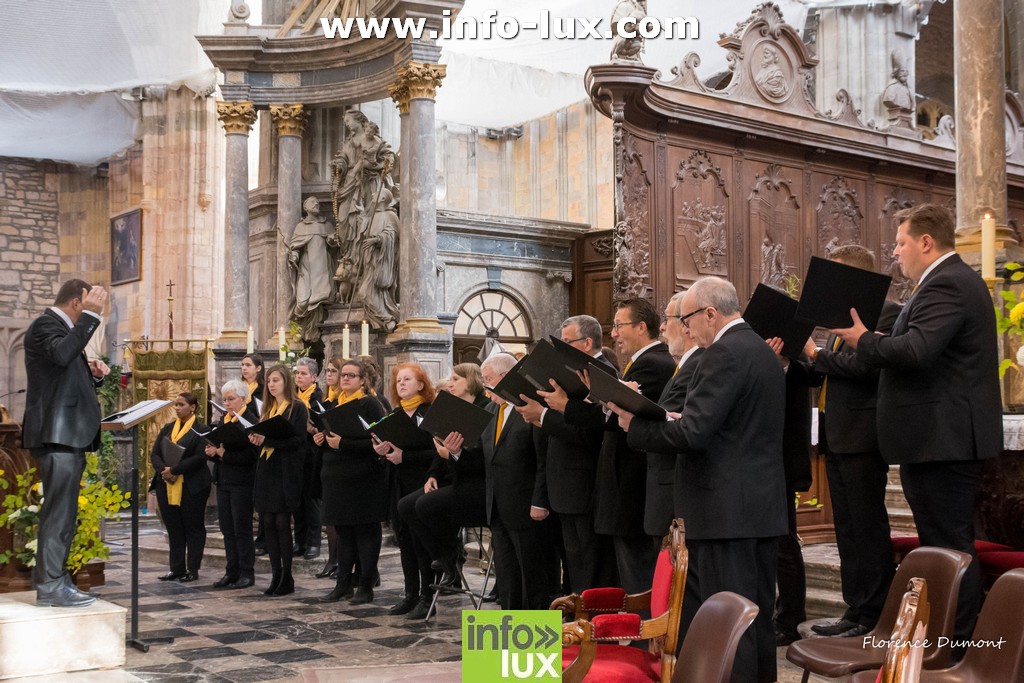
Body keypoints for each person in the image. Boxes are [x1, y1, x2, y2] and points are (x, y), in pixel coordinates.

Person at [830, 204, 1002, 646]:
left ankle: (955, 646)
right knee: (941, 546)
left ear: (926, 242)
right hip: (935, 439)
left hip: (943, 440)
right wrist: (876, 341)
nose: (894, 252)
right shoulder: (948, 281)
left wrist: (864, 341)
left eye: (900, 242)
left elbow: (916, 350)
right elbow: (918, 346)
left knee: (949, 549)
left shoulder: (947, 282)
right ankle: (945, 639)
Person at [609, 276, 787, 683]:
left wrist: (636, 426)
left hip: (724, 512)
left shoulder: (721, 353)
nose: (685, 329)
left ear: (710, 313)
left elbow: (693, 434)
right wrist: (676, 419)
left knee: (729, 625)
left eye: (687, 319)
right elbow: (729, 427)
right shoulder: (760, 350)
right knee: (755, 619)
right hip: (757, 508)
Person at [801, 245, 900, 638]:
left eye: (837, 274)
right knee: (846, 529)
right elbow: (831, 371)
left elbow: (865, 368)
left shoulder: (886, 313)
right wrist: (802, 358)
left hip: (863, 436)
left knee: (867, 528)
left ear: (857, 277)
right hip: (838, 434)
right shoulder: (842, 321)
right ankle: (855, 609)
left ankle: (874, 614)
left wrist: (816, 353)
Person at [562, 298, 675, 598]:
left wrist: (567, 406)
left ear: (641, 327)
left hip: (630, 487)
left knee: (637, 579)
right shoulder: (643, 362)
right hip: (623, 487)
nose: (613, 334)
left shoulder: (653, 363)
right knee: (630, 574)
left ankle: (640, 628)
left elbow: (622, 419)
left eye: (619, 326)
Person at [23, 279, 110, 607]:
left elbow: (62, 372)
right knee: (59, 513)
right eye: (87, 307)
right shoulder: (45, 324)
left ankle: (54, 582)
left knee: (64, 513)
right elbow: (61, 355)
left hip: (66, 435)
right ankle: (50, 585)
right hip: (57, 435)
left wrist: (93, 375)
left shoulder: (61, 330)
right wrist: (92, 316)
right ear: (77, 303)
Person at [516, 315, 618, 593]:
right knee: (575, 564)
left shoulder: (601, 373)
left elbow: (590, 432)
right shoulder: (575, 372)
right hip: (566, 483)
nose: (562, 348)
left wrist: (545, 416)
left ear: (587, 342)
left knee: (590, 564)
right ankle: (577, 613)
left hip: (584, 484)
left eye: (567, 342)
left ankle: (590, 616)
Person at [400, 362, 490, 615]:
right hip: (453, 478)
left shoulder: (484, 408)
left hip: (475, 483)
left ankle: (449, 554)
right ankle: (447, 556)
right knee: (405, 506)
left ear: (471, 381)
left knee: (424, 505)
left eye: (455, 379)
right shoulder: (454, 408)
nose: (450, 384)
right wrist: (431, 475)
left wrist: (450, 454)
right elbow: (440, 449)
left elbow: (474, 455)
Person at [470, 353, 558, 610]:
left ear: (506, 377)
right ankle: (510, 625)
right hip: (497, 505)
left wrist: (540, 501)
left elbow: (543, 459)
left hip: (526, 505)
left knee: (533, 574)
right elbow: (482, 454)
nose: (485, 388)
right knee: (507, 574)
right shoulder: (491, 410)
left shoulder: (529, 408)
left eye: (488, 379)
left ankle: (536, 628)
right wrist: (453, 451)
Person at [317, 359, 388, 604]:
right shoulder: (336, 404)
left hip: (364, 479)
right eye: (343, 375)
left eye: (351, 375)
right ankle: (343, 584)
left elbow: (378, 442)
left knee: (366, 533)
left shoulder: (370, 404)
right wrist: (322, 438)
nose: (345, 378)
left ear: (363, 380)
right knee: (344, 533)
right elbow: (333, 438)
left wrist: (343, 443)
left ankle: (366, 585)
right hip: (337, 478)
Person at [375, 363, 438, 617]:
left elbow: (438, 453)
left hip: (423, 482)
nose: (401, 384)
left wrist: (406, 456)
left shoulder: (430, 412)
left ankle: (427, 597)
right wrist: (381, 450)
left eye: (407, 379)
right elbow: (392, 449)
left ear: (421, 384)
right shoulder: (395, 414)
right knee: (404, 540)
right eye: (399, 380)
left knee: (420, 541)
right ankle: (410, 594)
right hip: (398, 482)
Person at [248, 364, 309, 597]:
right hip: (266, 470)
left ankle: (287, 576)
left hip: (285, 472)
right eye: (269, 381)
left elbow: (298, 442)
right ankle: (275, 575)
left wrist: (267, 440)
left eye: (276, 380)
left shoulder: (296, 407)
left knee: (282, 523)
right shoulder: (268, 408)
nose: (272, 385)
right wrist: (256, 439)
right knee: (268, 524)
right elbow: (265, 441)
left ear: (286, 382)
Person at [648, 292, 704, 539]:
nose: (661, 327)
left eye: (667, 319)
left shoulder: (697, 364)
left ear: (684, 324)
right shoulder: (684, 364)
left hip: (675, 487)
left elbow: (670, 415)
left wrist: (629, 408)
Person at [149, 392, 210, 584]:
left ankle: (192, 569)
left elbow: (200, 457)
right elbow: (155, 453)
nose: (176, 408)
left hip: (191, 485)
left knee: (193, 528)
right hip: (165, 483)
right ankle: (176, 568)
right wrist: (164, 471)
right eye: (175, 404)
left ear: (193, 407)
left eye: (181, 404)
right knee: (173, 528)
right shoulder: (168, 428)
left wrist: (175, 470)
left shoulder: (201, 430)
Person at [205, 379, 259, 589]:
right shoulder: (224, 421)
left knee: (241, 528)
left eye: (231, 399)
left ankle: (247, 572)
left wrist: (224, 454)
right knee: (227, 528)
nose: (226, 403)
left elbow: (252, 456)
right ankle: (231, 571)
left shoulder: (250, 421)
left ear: (243, 399)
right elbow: (217, 447)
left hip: (242, 482)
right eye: (224, 399)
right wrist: (211, 451)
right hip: (224, 480)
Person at [314, 356, 346, 579]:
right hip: (328, 464)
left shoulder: (346, 402)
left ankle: (340, 561)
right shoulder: (329, 401)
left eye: (335, 371)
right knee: (330, 518)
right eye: (329, 371)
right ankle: (333, 559)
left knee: (339, 520)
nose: (330, 375)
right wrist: (319, 437)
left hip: (343, 466)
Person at [288, 197, 334, 339]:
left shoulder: (327, 225)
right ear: (305, 207)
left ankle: (313, 332)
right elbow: (295, 246)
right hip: (307, 267)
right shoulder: (301, 227)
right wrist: (294, 256)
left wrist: (332, 241)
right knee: (302, 301)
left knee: (322, 300)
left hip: (323, 269)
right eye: (312, 202)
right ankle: (300, 327)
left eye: (318, 202)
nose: (316, 203)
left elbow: (335, 247)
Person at [293, 357, 323, 560]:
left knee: (311, 500)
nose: (299, 377)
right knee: (297, 500)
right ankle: (300, 541)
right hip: (296, 453)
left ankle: (313, 542)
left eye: (303, 374)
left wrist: (311, 428)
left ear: (314, 377)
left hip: (312, 453)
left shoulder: (318, 397)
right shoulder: (293, 396)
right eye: (297, 373)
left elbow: (321, 426)